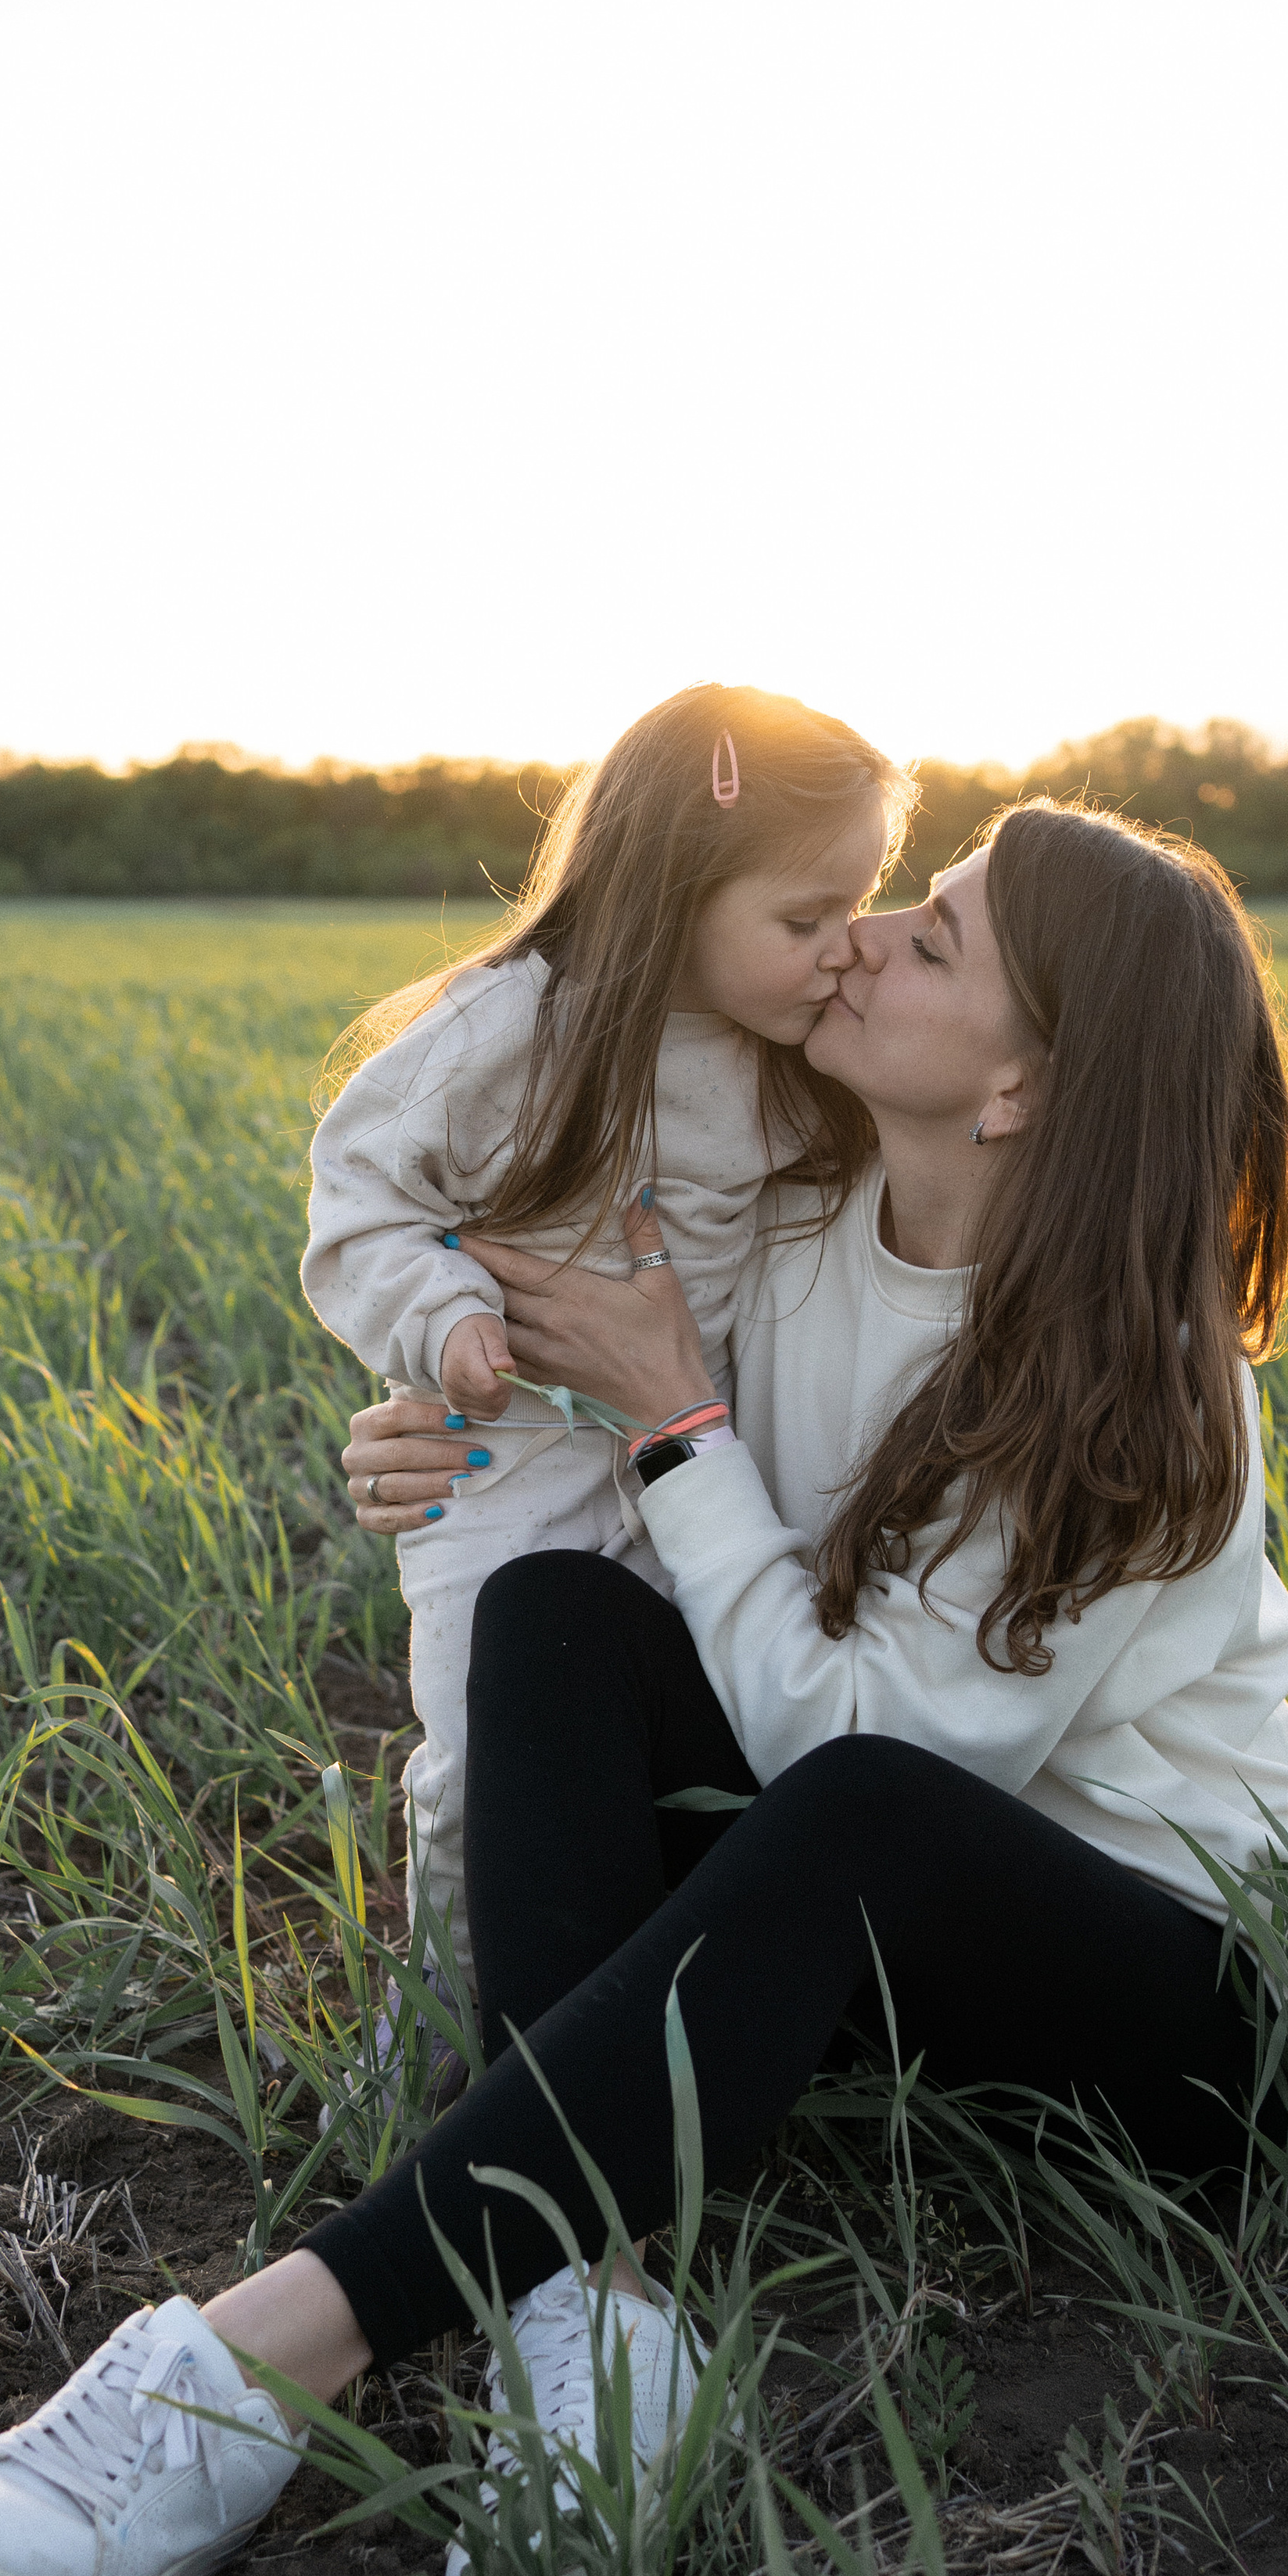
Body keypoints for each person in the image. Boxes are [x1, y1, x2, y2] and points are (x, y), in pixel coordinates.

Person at [0, 799, 1288, 2576]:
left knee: (863, 1808)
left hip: (1180, 2013)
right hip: (869, 1917)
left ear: (1016, 1094)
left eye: (940, 938)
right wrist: (438, 1425)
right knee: (554, 1615)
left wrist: (670, 1412)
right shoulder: (802, 1221)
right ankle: (607, 2320)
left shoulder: (1145, 1389)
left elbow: (853, 1745)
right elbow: (610, 1465)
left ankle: (242, 2370)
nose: (873, 934)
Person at [299, 682, 913, 1989]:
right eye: (807, 918)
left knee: (686, 1748)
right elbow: (361, 1208)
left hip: (709, 1471)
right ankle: (451, 2027)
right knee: (484, 1758)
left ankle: (638, 1999)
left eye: (858, 912)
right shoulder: (505, 1032)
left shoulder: (792, 1056)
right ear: (673, 888)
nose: (845, 949)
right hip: (507, 1468)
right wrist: (447, 1323)